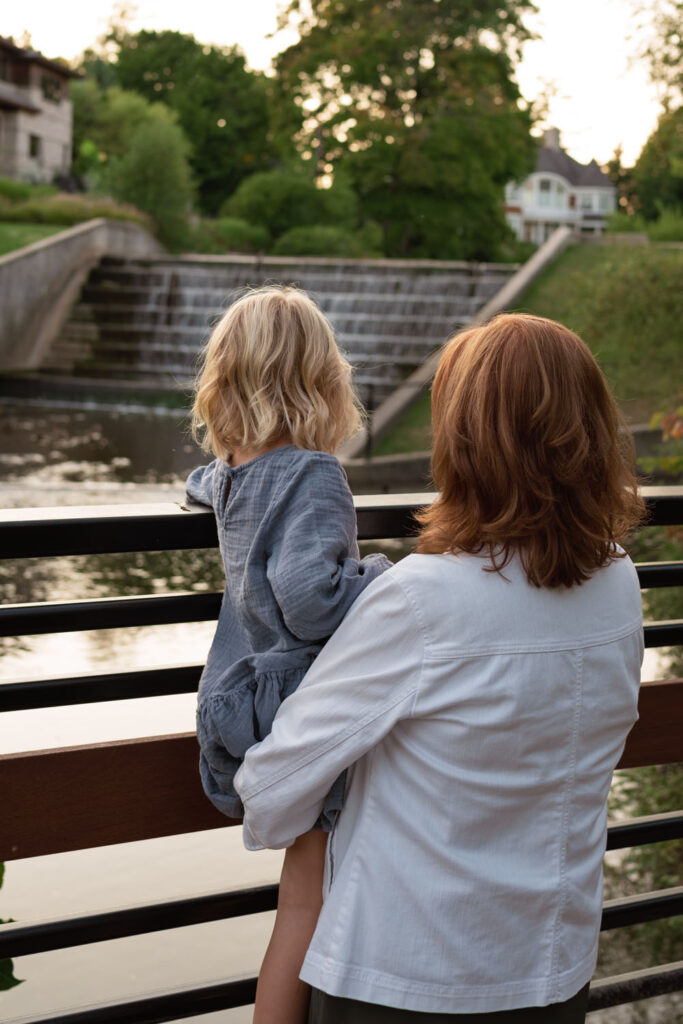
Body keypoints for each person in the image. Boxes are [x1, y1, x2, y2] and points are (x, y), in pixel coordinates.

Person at [234, 313, 646, 1024]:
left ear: (461, 440)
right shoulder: (619, 581)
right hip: (550, 966)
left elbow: (269, 790)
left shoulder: (419, 599)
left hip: (403, 976)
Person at [186, 285, 391, 1024]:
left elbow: (199, 484)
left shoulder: (230, 473)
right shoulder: (313, 474)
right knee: (309, 897)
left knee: (299, 896)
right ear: (321, 380)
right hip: (296, 706)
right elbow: (309, 598)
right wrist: (379, 579)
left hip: (237, 698)